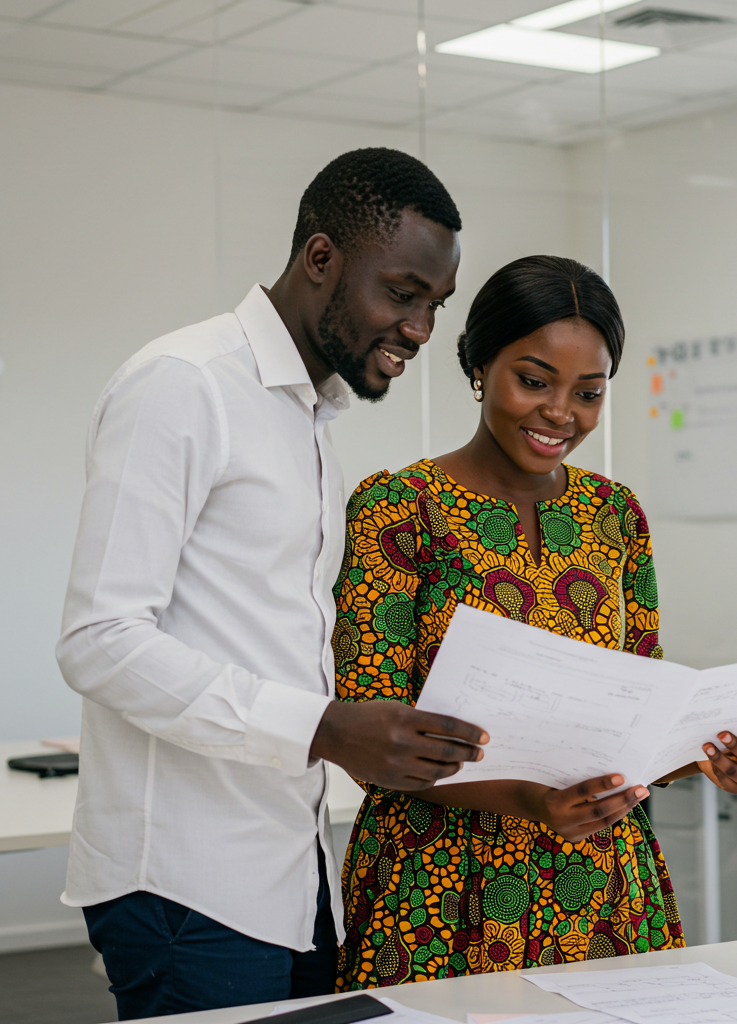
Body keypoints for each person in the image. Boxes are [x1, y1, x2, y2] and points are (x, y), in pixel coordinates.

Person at [55, 148, 490, 1019]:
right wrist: (325, 727)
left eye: (434, 307)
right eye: (402, 294)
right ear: (320, 259)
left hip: (288, 869)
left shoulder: (307, 414)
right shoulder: (185, 385)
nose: (418, 330)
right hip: (187, 885)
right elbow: (98, 643)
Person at [332, 255, 737, 988]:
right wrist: (533, 802)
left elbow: (640, 708)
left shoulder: (614, 514)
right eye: (533, 381)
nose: (560, 413)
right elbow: (370, 732)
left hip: (602, 889)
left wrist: (708, 753)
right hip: (444, 888)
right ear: (480, 364)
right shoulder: (398, 508)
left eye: (589, 392)